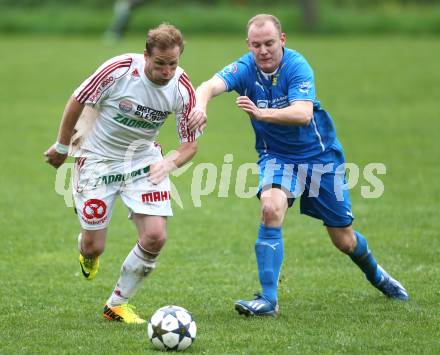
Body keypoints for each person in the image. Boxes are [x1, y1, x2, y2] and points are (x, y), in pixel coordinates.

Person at [188, 14, 408, 317]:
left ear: (282, 40)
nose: (263, 50)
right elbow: (208, 85)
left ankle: (378, 275)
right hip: (277, 157)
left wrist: (262, 115)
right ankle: (268, 301)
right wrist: (201, 106)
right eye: (256, 45)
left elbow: (303, 113)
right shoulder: (245, 67)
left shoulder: (297, 66)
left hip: (319, 157)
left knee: (343, 239)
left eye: (268, 43)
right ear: (248, 45)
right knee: (270, 208)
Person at [45, 24, 200, 324]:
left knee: (155, 237)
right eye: (160, 64)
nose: (167, 71)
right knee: (94, 247)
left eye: (173, 64)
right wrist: (63, 146)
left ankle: (117, 305)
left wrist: (167, 164)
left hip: (143, 163)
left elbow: (189, 146)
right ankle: (87, 252)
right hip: (97, 162)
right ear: (146, 56)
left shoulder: (181, 89)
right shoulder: (119, 70)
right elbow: (77, 99)